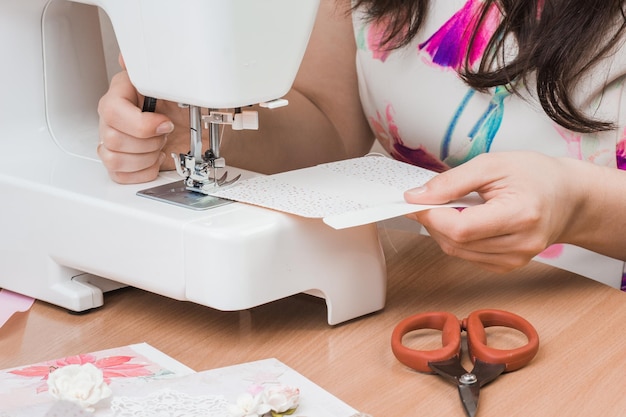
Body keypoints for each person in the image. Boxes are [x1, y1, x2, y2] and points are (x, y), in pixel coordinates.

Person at [97, 0, 626, 286]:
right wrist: (183, 108)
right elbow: (328, 127)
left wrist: (578, 204)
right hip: (425, 290)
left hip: (599, 318)